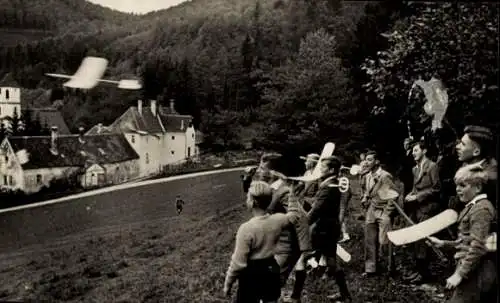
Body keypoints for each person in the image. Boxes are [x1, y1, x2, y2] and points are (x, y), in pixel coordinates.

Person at [223, 181, 310, 303]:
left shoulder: (246, 228)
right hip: (271, 268)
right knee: (271, 299)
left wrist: (228, 284)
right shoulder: (278, 220)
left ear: (252, 202)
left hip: (252, 274)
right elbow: (294, 215)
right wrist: (292, 194)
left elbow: (238, 264)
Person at [428, 165, 497, 303]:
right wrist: (444, 244)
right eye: (457, 185)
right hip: (470, 269)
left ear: (477, 188)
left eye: (462, 185)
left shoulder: (481, 209)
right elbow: (467, 241)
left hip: (475, 272)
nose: (457, 189)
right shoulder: (473, 206)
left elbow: (478, 245)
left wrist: (460, 274)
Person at [307, 156, 352, 302]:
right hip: (330, 226)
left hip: (324, 227)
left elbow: (316, 209)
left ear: (332, 170)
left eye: (323, 166)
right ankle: (345, 294)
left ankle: (296, 293)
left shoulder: (328, 186)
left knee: (305, 253)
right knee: (332, 260)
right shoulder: (332, 183)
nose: (320, 168)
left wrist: (304, 223)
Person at [402, 141, 441, 284]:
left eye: (416, 150)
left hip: (428, 208)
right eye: (412, 150)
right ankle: (418, 272)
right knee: (416, 240)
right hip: (416, 209)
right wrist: (409, 194)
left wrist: (417, 197)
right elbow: (415, 187)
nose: (413, 153)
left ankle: (425, 274)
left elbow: (436, 189)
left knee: (423, 241)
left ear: (424, 151)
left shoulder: (432, 166)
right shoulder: (415, 169)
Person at [361, 150, 398, 277]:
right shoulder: (367, 176)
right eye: (366, 159)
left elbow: (393, 195)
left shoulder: (385, 176)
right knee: (370, 240)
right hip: (371, 210)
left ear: (377, 162)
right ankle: (370, 269)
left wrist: (387, 213)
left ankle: (389, 268)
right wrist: (365, 197)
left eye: (370, 159)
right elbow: (368, 191)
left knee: (384, 241)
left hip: (383, 211)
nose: (366, 162)